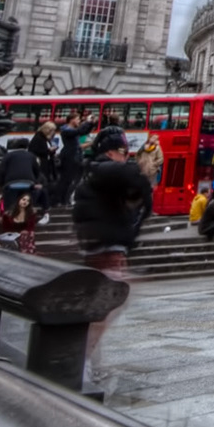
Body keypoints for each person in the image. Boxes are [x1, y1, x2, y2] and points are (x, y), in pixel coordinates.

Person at [71, 126, 152, 372]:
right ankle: (82, 359)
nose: (126, 155)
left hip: (105, 245)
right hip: (105, 247)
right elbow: (132, 178)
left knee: (109, 302)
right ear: (109, 152)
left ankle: (89, 358)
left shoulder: (96, 175)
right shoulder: (101, 169)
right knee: (108, 305)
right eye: (122, 151)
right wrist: (141, 174)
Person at [0, 136, 38, 211]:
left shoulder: (8, 156)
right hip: (28, 182)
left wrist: (0, 184)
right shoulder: (32, 156)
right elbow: (36, 170)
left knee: (10, 206)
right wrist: (35, 181)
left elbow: (1, 170)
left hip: (11, 183)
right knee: (26, 203)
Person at [55, 112, 84, 206]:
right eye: (78, 119)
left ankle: (64, 199)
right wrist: (88, 122)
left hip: (75, 156)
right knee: (67, 179)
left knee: (71, 179)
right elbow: (80, 131)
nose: (79, 121)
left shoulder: (70, 130)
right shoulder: (67, 130)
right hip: (70, 157)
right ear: (72, 120)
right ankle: (62, 200)